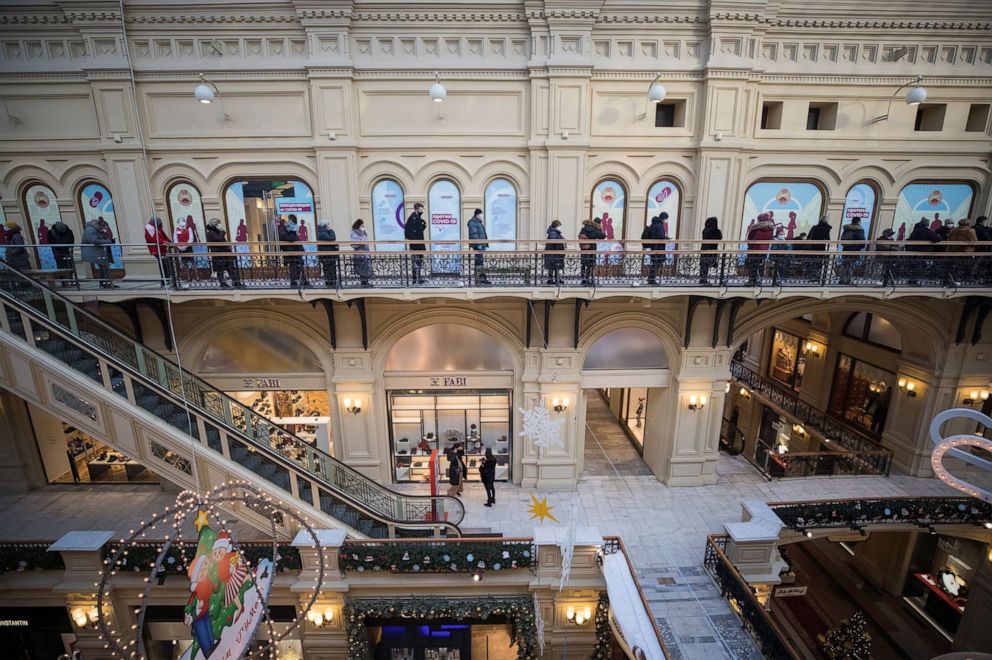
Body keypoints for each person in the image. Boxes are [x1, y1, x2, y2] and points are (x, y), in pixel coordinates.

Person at [206, 217, 242, 288]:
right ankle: (222, 283)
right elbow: (219, 239)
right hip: (218, 254)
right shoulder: (211, 232)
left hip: (225, 253)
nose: (220, 225)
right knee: (220, 269)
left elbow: (222, 240)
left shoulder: (218, 231)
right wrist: (222, 231)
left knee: (231, 268)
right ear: (215, 225)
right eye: (219, 224)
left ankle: (236, 282)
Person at [144, 216, 177, 286]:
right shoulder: (150, 230)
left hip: (162, 250)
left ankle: (168, 279)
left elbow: (163, 236)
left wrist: (169, 241)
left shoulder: (157, 228)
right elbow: (155, 239)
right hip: (157, 250)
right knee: (163, 265)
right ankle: (164, 281)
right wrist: (165, 242)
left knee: (166, 264)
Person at [82, 218, 114, 287]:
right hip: (92, 251)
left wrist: (107, 236)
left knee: (105, 266)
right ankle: (104, 283)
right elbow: (94, 240)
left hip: (98, 251)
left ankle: (106, 283)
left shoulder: (97, 229)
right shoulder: (90, 230)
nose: (104, 230)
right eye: (103, 228)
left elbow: (103, 237)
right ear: (99, 226)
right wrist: (107, 241)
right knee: (103, 266)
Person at [745, 213, 774, 284]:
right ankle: (758, 280)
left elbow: (750, 238)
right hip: (764, 249)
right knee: (760, 265)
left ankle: (751, 281)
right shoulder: (770, 228)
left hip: (754, 249)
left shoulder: (755, 228)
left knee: (752, 265)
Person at [279, 214, 306, 287]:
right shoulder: (283, 232)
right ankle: (293, 282)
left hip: (297, 251)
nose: (291, 226)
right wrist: (291, 231)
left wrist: (302, 250)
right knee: (293, 267)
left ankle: (304, 281)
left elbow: (297, 240)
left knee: (300, 266)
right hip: (290, 253)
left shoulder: (291, 231)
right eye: (289, 225)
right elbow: (291, 239)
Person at [838, 216, 866, 284]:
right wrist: (862, 246)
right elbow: (862, 240)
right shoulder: (858, 230)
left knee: (845, 264)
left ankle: (841, 279)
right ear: (858, 222)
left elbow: (842, 240)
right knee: (851, 265)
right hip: (855, 250)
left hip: (846, 249)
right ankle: (849, 280)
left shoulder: (846, 229)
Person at [578, 217, 606, 286]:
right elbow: (603, 236)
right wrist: (600, 228)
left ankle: (583, 280)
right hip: (592, 249)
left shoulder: (583, 229)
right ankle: (588, 279)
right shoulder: (594, 230)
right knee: (590, 265)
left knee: (583, 264)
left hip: (584, 249)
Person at [643, 214, 668, 285]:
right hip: (658, 248)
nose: (666, 221)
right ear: (663, 218)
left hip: (654, 247)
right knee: (657, 263)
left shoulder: (653, 224)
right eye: (666, 219)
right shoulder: (659, 225)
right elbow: (660, 236)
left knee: (655, 263)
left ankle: (651, 278)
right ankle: (651, 279)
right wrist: (666, 238)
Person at [405, 202, 427, 284]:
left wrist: (423, 225)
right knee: (416, 262)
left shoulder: (417, 218)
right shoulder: (413, 218)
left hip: (419, 244)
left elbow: (418, 231)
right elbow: (409, 233)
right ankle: (415, 279)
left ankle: (418, 278)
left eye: (422, 209)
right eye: (421, 209)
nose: (422, 211)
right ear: (417, 209)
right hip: (416, 245)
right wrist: (414, 240)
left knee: (418, 262)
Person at [467, 208, 489, 285]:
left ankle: (481, 277)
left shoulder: (478, 222)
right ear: (477, 215)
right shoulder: (473, 223)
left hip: (481, 245)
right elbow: (474, 235)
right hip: (478, 245)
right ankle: (479, 278)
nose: (481, 216)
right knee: (479, 261)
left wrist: (484, 243)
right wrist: (478, 244)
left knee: (480, 261)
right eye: (480, 214)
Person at [316, 219, 339, 287]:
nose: (329, 226)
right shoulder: (323, 233)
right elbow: (332, 238)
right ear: (325, 225)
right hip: (327, 254)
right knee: (328, 268)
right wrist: (331, 230)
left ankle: (332, 281)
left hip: (329, 254)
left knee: (331, 268)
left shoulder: (323, 232)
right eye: (327, 225)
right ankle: (330, 282)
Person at [700, 216, 722, 284]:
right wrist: (717, 230)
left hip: (704, 249)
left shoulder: (705, 230)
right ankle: (704, 280)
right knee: (706, 264)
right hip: (711, 249)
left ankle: (702, 279)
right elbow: (719, 237)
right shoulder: (713, 230)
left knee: (704, 265)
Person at [351, 219, 372, 286]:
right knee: (362, 269)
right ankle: (364, 282)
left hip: (365, 253)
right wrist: (362, 240)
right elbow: (354, 244)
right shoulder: (355, 233)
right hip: (360, 254)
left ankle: (365, 282)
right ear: (358, 226)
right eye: (362, 226)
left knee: (366, 268)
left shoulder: (363, 233)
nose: (363, 227)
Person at [544, 220, 566, 284]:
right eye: (559, 226)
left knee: (554, 267)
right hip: (554, 253)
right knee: (554, 266)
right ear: (556, 226)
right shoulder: (553, 233)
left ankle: (554, 279)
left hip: (553, 253)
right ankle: (554, 280)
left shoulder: (554, 232)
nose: (560, 227)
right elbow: (553, 240)